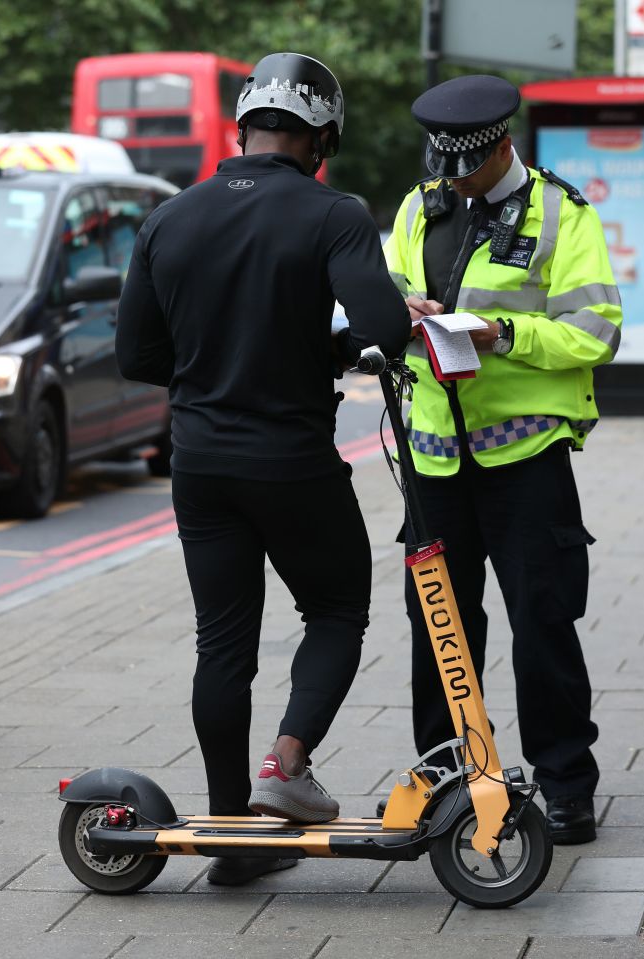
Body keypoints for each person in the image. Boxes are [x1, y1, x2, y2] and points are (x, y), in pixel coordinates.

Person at [115, 51, 411, 885]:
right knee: (337, 605)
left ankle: (231, 836)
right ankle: (286, 764)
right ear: (322, 139)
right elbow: (383, 323)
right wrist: (323, 350)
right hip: (292, 462)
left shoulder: (169, 218)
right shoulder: (334, 213)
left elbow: (139, 355)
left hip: (200, 462)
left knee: (223, 645)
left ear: (242, 128)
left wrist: (218, 363)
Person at [382, 75, 623, 844]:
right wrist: (401, 313)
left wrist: (503, 335)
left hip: (525, 459)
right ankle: (449, 777)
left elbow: (597, 330)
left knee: (543, 623)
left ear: (502, 146)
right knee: (441, 630)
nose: (452, 179)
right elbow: (386, 289)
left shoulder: (562, 211)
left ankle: (564, 786)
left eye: (466, 167)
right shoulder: (421, 206)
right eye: (442, 165)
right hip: (434, 461)